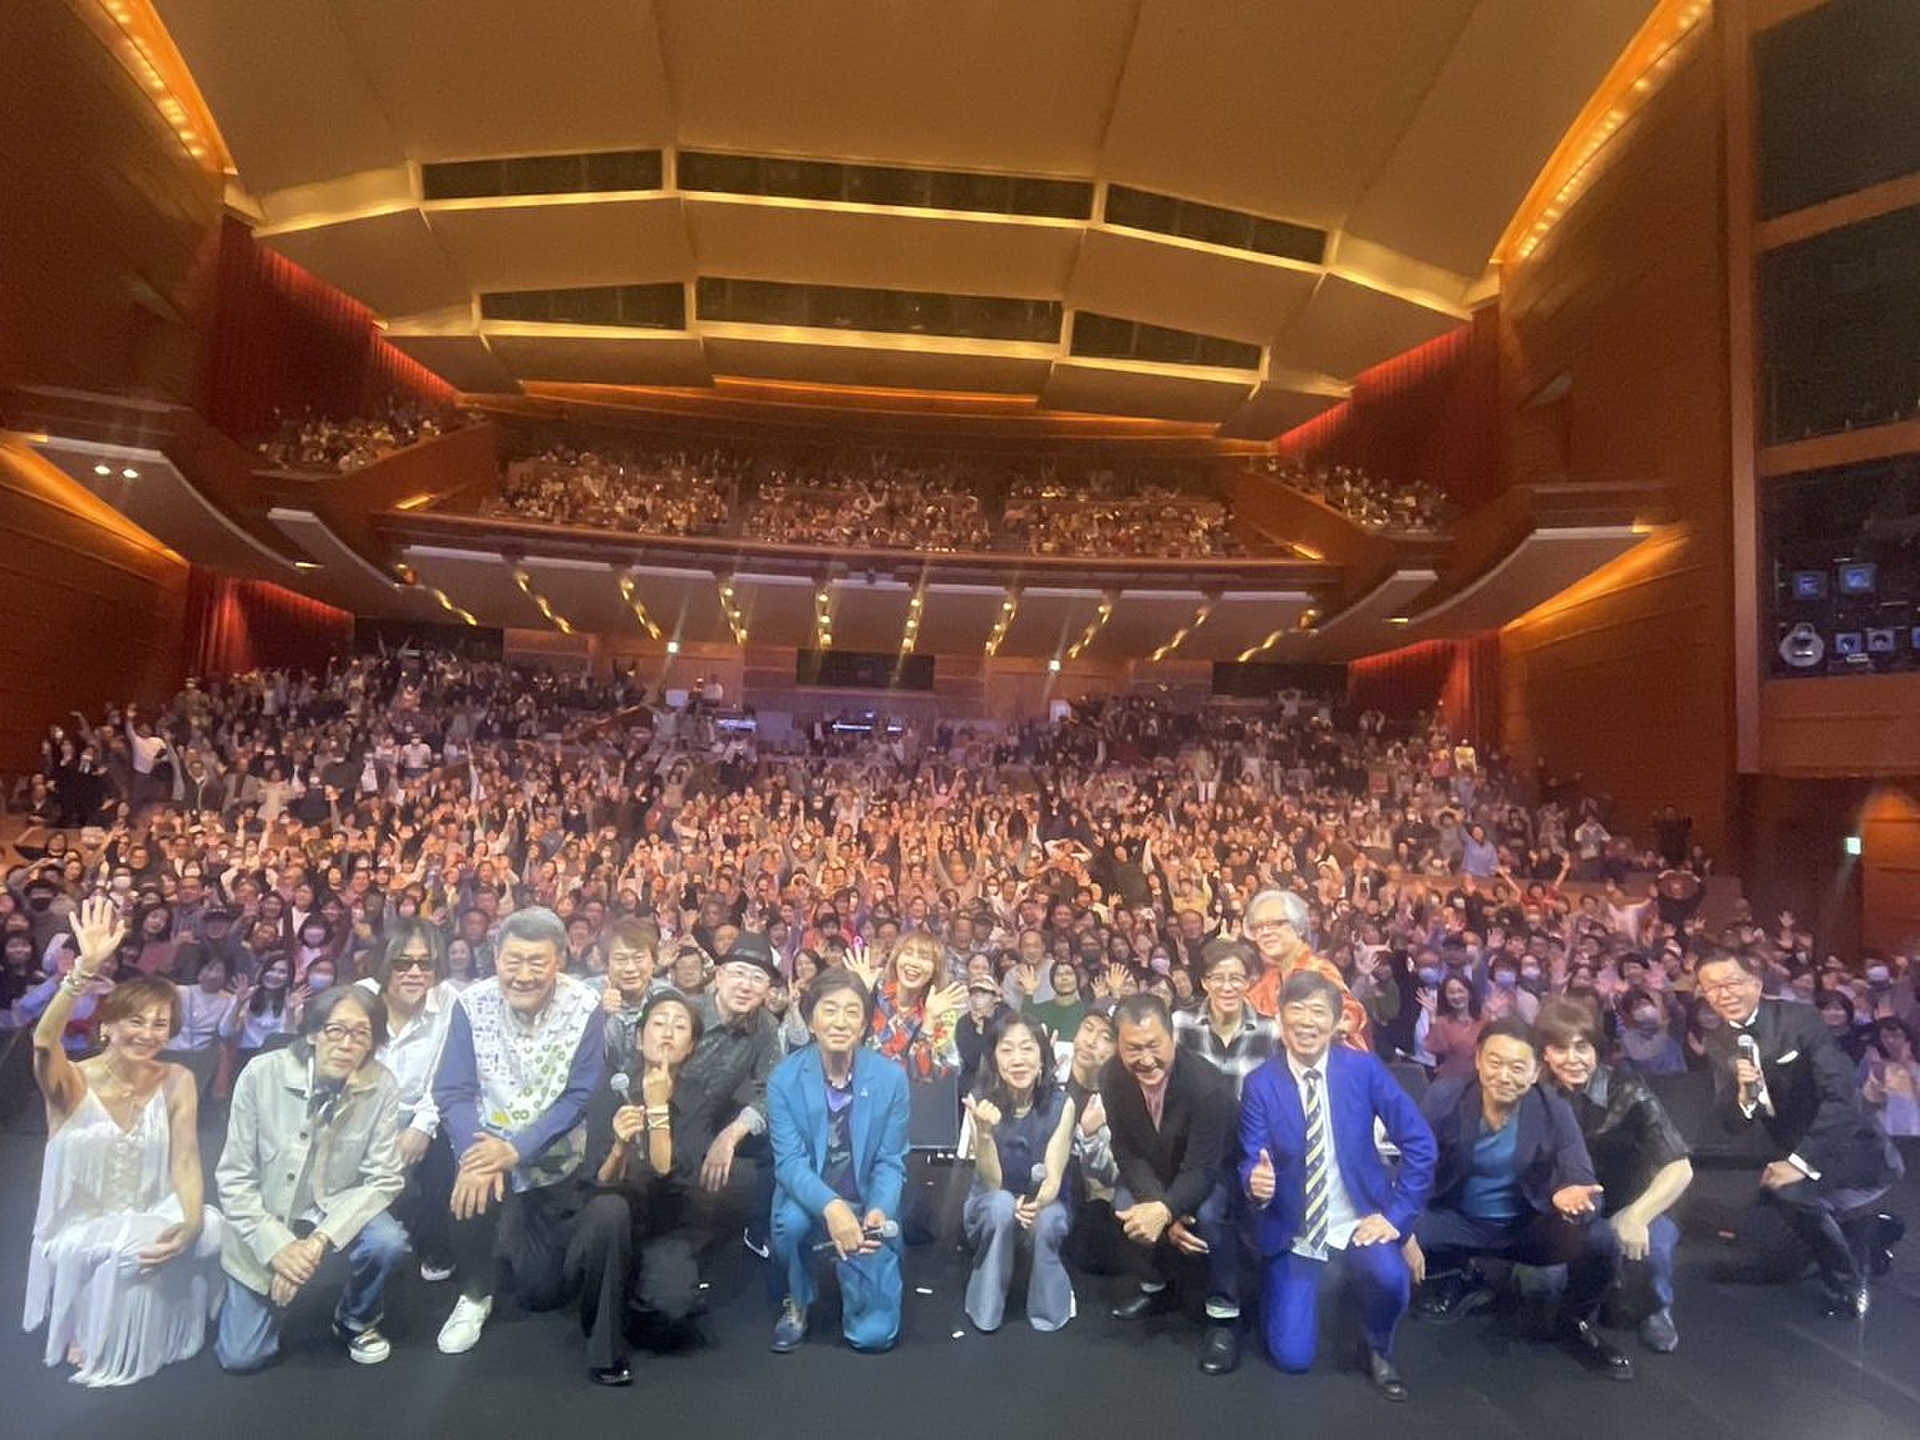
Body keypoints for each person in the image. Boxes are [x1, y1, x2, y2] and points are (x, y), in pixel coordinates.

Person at [26, 896, 222, 1386]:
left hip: (150, 1206)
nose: (148, 1033)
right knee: (135, 1249)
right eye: (136, 1021)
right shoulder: (72, 1080)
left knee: (213, 1230)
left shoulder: (177, 1079)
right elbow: (43, 1041)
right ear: (107, 1025)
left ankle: (154, 1321)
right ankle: (90, 1315)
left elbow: (186, 1159)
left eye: (160, 1024)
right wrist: (84, 970)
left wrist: (191, 1220)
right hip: (83, 1224)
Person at [1240, 971, 1435, 1401]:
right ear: (1279, 1017)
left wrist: (1398, 1217)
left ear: (1336, 1021)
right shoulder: (1260, 1083)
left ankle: (1377, 1345)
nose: (1307, 1022)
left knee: (1390, 1279)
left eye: (1318, 1012)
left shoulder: (1362, 1069)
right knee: (1292, 1359)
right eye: (1297, 1010)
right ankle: (1299, 1298)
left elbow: (1420, 1144)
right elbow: (1252, 1157)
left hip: (1359, 1220)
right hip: (1295, 1231)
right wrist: (1256, 1181)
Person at [1410, 1017, 1633, 1379]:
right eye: (1495, 1062)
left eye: (1517, 1067)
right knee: (1391, 1229)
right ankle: (1458, 1275)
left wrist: (1572, 1200)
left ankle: (1575, 1322)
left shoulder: (1552, 1108)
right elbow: (1414, 1163)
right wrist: (1403, 1222)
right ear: (1478, 1059)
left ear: (1535, 1072)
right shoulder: (1446, 1095)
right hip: (1457, 1221)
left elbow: (1581, 1177)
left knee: (1601, 1239)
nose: (1504, 1076)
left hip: (1525, 1227)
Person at [432, 906, 604, 1354]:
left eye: (537, 962)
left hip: (552, 1156)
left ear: (559, 961)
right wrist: (478, 1155)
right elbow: (452, 1090)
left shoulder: (585, 1006)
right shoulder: (471, 1004)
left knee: (541, 1292)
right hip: (484, 1145)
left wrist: (516, 1149)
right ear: (496, 958)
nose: (523, 975)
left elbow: (579, 1095)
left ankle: (514, 1238)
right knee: (469, 1188)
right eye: (513, 961)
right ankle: (474, 1294)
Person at [1696, 949, 1901, 1318]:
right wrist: (1744, 1099)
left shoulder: (1799, 1020)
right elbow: (1732, 1122)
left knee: (1791, 1196)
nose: (1723, 994)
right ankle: (1869, 1231)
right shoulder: (1718, 1039)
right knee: (1767, 1255)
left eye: (1731, 983)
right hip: (1790, 1150)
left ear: (1755, 984)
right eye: (1712, 988)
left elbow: (1843, 1098)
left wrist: (1798, 1163)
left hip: (1850, 1147)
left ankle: (1848, 1286)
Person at [214, 983, 406, 1371]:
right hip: (269, 1210)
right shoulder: (261, 1074)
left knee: (388, 1241)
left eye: (361, 1034)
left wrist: (316, 1244)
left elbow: (384, 1178)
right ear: (313, 1033)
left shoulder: (382, 1084)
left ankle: (356, 1318)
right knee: (242, 1358)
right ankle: (235, 1286)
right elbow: (234, 1178)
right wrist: (278, 1249)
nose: (347, 1044)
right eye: (336, 1030)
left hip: (333, 1203)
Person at [569, 991, 722, 1385]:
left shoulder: (699, 1095)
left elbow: (667, 1170)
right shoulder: (610, 1090)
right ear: (639, 1038)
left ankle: (624, 1293)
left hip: (663, 1223)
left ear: (691, 1046)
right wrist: (619, 1147)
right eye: (658, 1023)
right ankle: (605, 1350)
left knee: (676, 1312)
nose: (668, 1032)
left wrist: (656, 1110)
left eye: (680, 1026)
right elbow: (600, 1180)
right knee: (609, 1209)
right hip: (607, 1221)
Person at [1533, 996, 1693, 1352]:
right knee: (1543, 1285)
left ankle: (1656, 1307)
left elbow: (1679, 1166)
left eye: (1582, 1047)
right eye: (1560, 1049)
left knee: (1651, 1252)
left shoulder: (1628, 1089)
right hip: (1566, 1208)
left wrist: (1637, 1215)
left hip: (1631, 1201)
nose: (1572, 1059)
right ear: (1545, 1054)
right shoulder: (1537, 1095)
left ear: (1596, 1048)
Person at [767, 968, 909, 1353]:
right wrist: (831, 1207)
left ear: (864, 1024)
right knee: (791, 1222)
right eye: (829, 1010)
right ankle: (798, 1298)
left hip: (865, 1201)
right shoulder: (784, 1079)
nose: (841, 1022)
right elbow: (790, 1164)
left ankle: (867, 1273)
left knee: (874, 1337)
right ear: (811, 1020)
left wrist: (879, 1210)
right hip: (810, 1200)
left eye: (852, 1012)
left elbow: (890, 1161)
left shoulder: (891, 1079)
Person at [1102, 993, 1243, 1375]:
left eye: (1154, 1046)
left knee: (1210, 1215)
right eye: (1133, 1048)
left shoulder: (1207, 1086)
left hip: (1213, 1168)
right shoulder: (1111, 1076)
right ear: (1118, 1046)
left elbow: (1202, 1168)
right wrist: (1161, 1211)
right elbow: (1126, 1150)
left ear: (1173, 1039)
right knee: (1124, 1204)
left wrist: (1166, 1211)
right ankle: (1157, 1286)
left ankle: (1224, 1314)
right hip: (1157, 1169)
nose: (1146, 1059)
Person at [961, 1013, 1076, 1333]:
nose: (1018, 1059)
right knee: (1000, 1205)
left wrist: (1035, 1203)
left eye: (1027, 1048)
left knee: (1048, 1219)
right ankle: (986, 1309)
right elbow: (992, 1183)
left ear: (1042, 1058)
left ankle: (1049, 1310)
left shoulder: (1062, 1104)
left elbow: (1053, 1176)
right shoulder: (980, 1103)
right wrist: (984, 1133)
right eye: (1007, 1049)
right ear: (994, 1059)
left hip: (1043, 1201)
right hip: (991, 1203)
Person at [365, 920, 456, 1283]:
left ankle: (436, 1240)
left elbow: (447, 1075)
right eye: (403, 962)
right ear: (385, 963)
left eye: (425, 963)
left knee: (447, 1145)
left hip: (425, 1112)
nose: (415, 973)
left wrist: (422, 1126)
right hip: (364, 1114)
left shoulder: (449, 1002)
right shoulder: (359, 999)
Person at [1243, 889, 1371, 1052]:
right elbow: (1243, 1010)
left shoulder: (1315, 968)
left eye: (1275, 924)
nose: (1265, 933)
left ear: (1299, 928)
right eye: (1258, 927)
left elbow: (1350, 1014)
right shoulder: (1271, 976)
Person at [1174, 938, 1277, 1097]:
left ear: (1248, 982)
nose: (1227, 987)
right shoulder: (1181, 1023)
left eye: (1236, 978)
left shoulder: (1270, 1031)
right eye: (1218, 978)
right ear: (1204, 983)